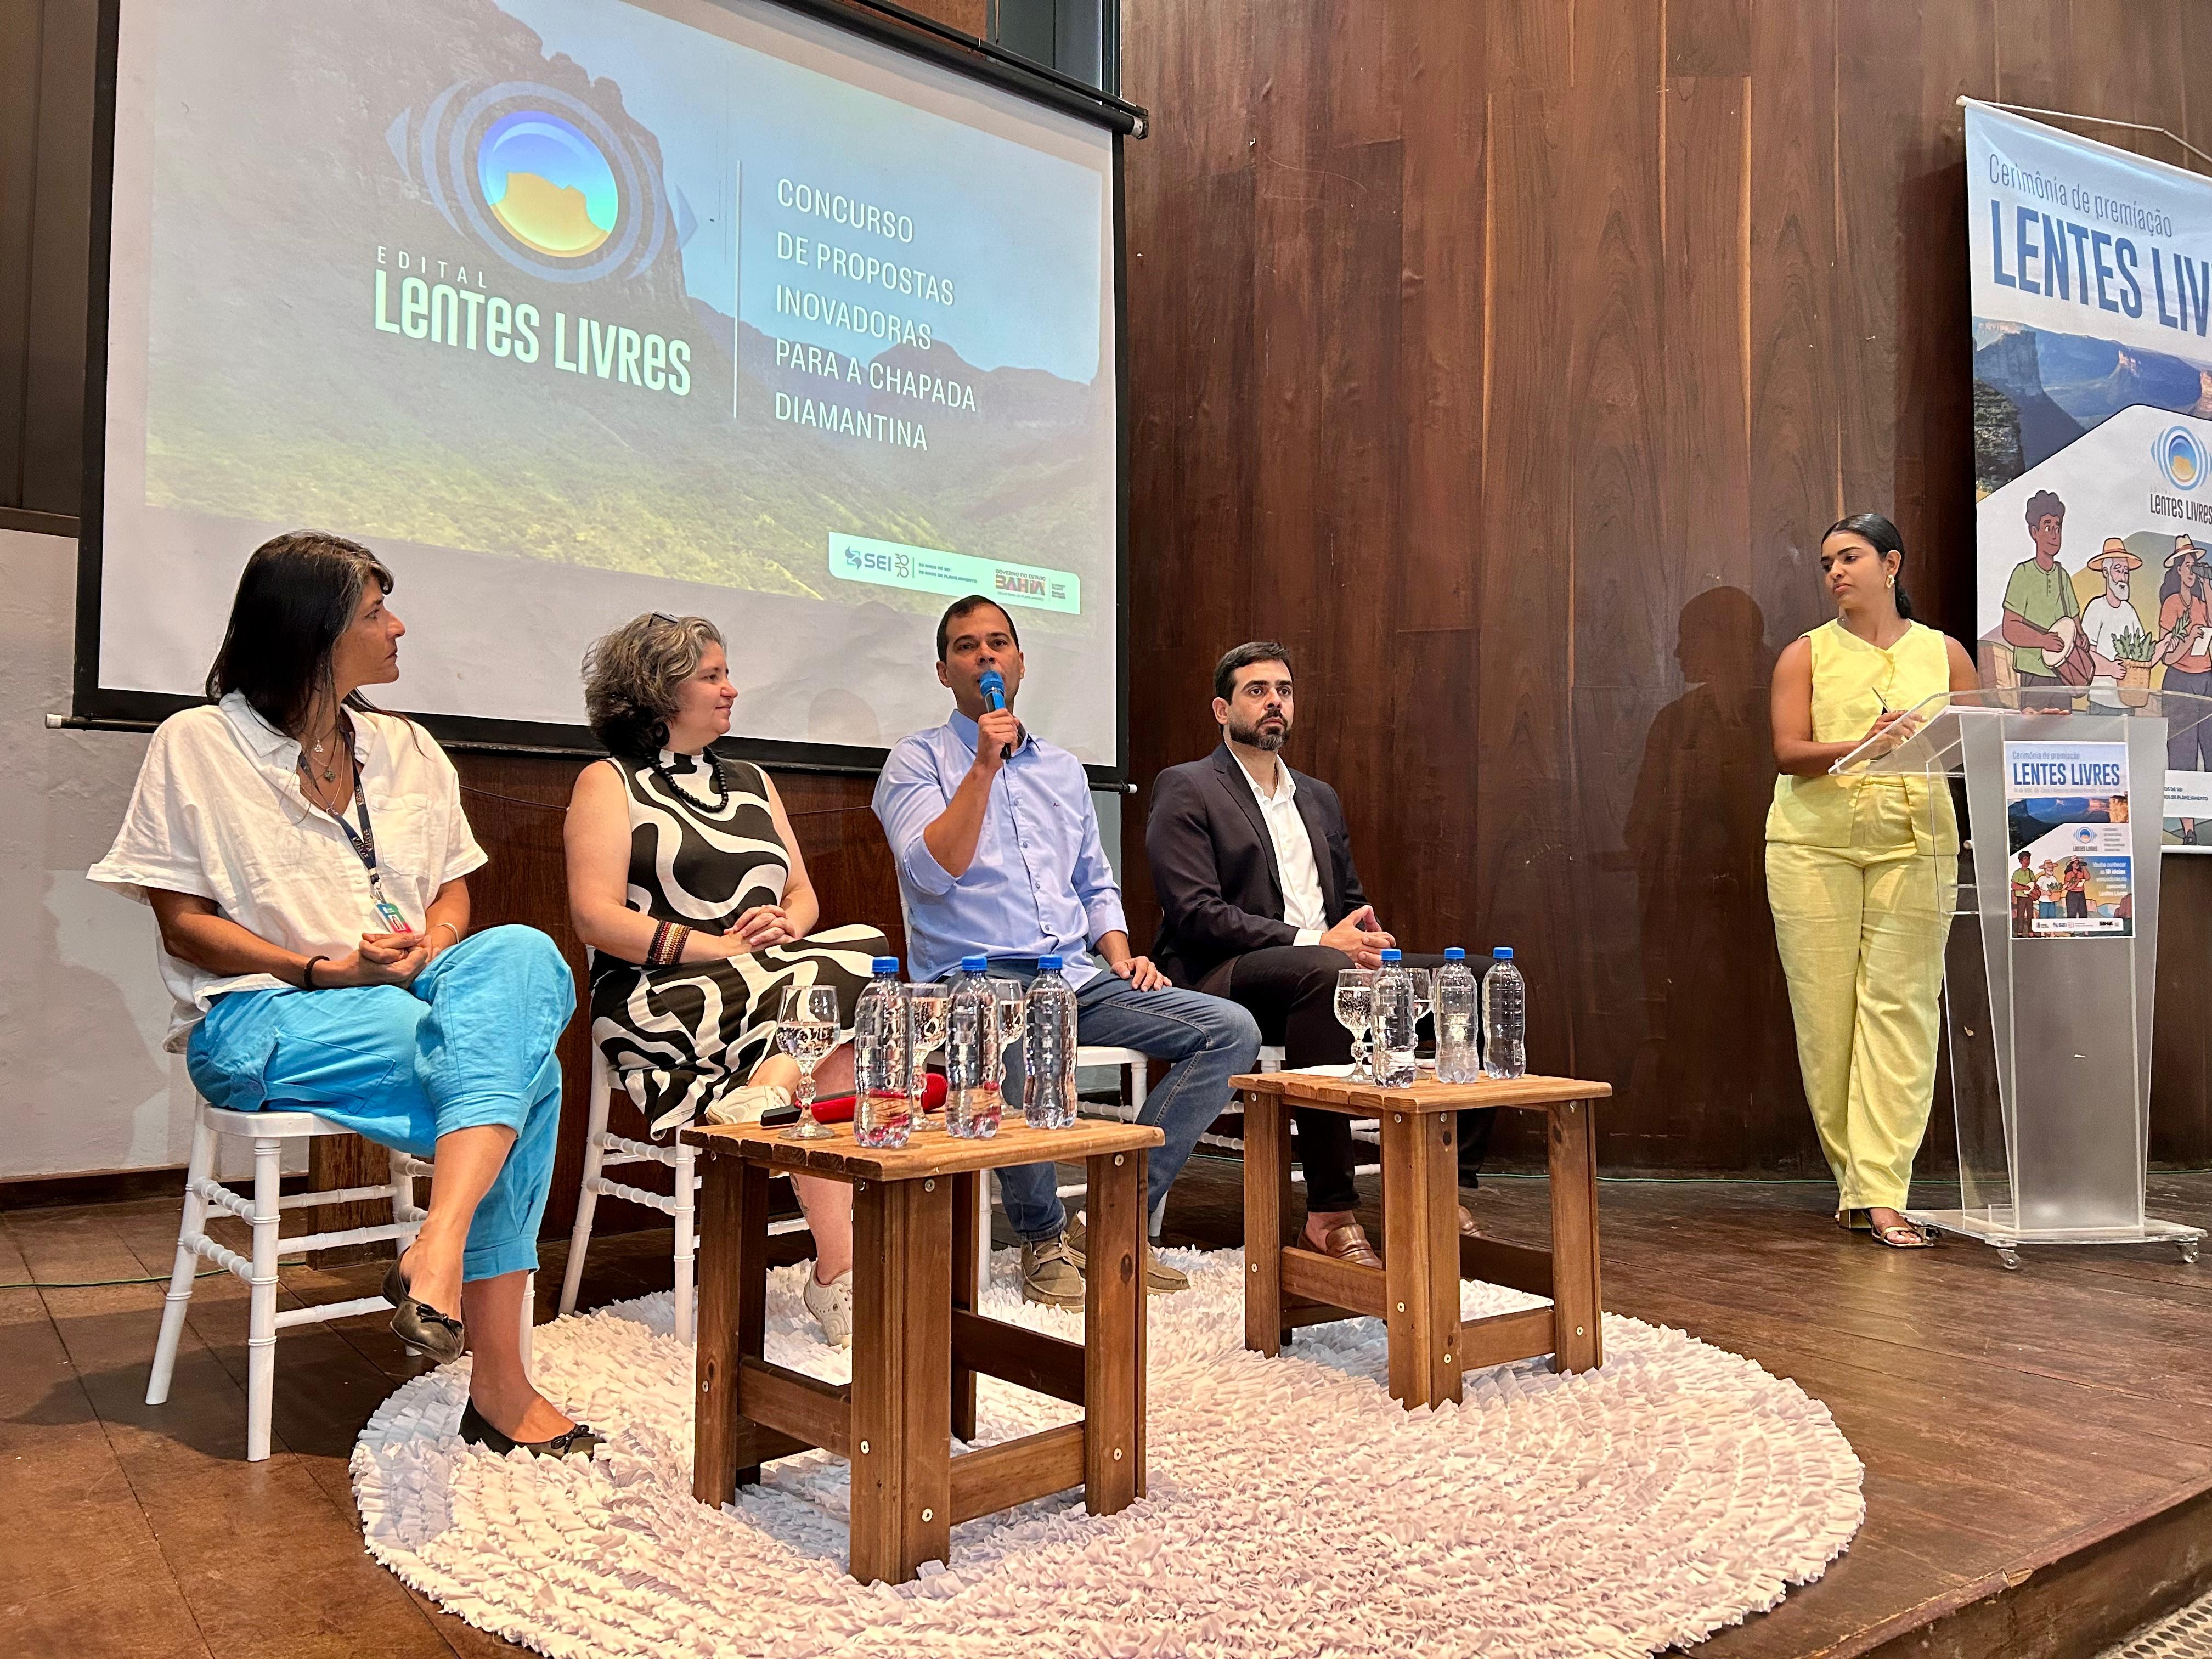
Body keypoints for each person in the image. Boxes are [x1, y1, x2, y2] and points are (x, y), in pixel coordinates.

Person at [88, 532, 594, 1457]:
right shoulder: (197, 743)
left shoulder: (405, 746)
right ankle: (500, 1381)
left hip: (412, 985)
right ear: (312, 630)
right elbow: (183, 921)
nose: (398, 627)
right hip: (257, 1010)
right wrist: (318, 968)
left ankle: (435, 1249)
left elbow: (453, 889)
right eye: (374, 611)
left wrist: (430, 942)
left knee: (521, 951)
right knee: (525, 1077)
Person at [872, 595, 1261, 1307]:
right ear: (943, 670)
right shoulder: (916, 761)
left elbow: (1093, 880)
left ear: (1020, 661)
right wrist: (983, 769)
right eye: (967, 647)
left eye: (999, 643)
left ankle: (1109, 1218)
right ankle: (1042, 1237)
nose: (986, 657)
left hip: (1077, 978)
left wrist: (1119, 954)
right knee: (1010, 1036)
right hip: (973, 986)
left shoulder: (1064, 770)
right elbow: (932, 870)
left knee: (1229, 1030)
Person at [563, 613, 888, 1346]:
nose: (730, 688)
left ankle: (778, 1112)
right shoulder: (608, 783)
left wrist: (788, 926)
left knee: (862, 953)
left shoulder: (752, 780)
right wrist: (714, 948)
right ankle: (836, 1269)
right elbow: (594, 918)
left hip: (776, 984)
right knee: (835, 1029)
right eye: (711, 676)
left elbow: (802, 895)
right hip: (663, 994)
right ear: (657, 690)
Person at [1144, 642, 1492, 1266]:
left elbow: (1348, 902)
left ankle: (1446, 1183)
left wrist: (1365, 933)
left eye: (1284, 689)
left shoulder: (1319, 797)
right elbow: (1196, 915)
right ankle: (1329, 1211)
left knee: (1480, 979)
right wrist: (1320, 943)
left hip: (1320, 968)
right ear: (1222, 709)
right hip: (1224, 977)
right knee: (1328, 972)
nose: (1274, 700)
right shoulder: (1189, 786)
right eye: (1257, 690)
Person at [1766, 512, 1977, 1250]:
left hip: (1917, 845)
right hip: (1813, 848)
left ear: (1892, 564)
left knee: (1904, 1014)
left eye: (1850, 557)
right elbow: (1788, 751)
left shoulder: (1945, 653)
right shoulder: (1805, 655)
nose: (1835, 573)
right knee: (1828, 1023)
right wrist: (1866, 744)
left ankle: (1880, 1193)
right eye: (1826, 562)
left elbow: (1971, 746)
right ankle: (1858, 1183)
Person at [2157, 537, 2212, 844]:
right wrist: (2190, 639)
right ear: (2178, 569)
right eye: (2188, 565)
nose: (2193, 570)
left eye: (2195, 565)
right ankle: (2188, 829)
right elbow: (2168, 656)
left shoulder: (2203, 601)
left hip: (2208, 680)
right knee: (2182, 756)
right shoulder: (2172, 604)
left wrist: (2207, 588)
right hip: (2180, 681)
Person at [1999, 489, 2078, 690]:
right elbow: (2010, 628)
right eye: (2047, 527)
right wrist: (2043, 641)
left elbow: (2075, 621)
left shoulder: (2063, 576)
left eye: (2058, 528)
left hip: (2063, 672)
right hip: (2033, 672)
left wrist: (2082, 639)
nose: (2054, 535)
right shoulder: (2023, 574)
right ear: (2034, 532)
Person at [2078, 540, 2146, 710]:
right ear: (2106, 572)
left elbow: (2143, 653)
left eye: (2126, 572)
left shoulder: (2130, 611)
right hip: (2102, 702)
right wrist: (2110, 668)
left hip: (2128, 702)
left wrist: (2165, 644)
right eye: (2118, 570)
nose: (2123, 577)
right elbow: (2085, 654)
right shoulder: (2096, 608)